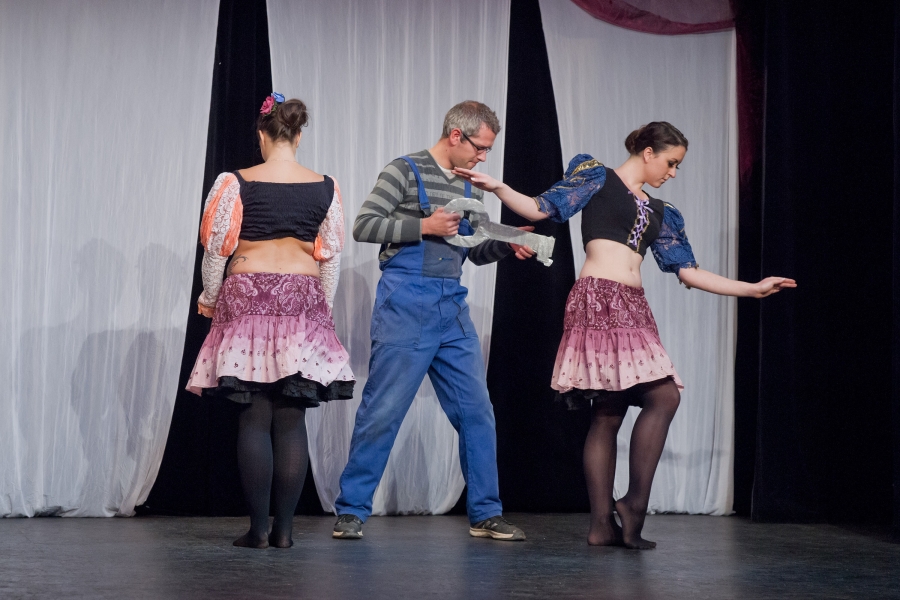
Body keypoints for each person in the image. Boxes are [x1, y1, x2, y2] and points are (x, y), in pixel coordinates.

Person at [454, 122, 796, 549]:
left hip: (634, 306)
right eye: (670, 162)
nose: (672, 172)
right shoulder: (596, 176)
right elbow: (541, 208)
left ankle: (604, 525)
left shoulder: (661, 212)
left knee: (613, 410)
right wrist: (499, 187)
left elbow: (688, 271)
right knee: (656, 398)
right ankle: (630, 507)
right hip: (599, 298)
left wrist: (751, 288)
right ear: (648, 152)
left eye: (678, 166)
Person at [332, 101, 532, 542]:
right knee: (383, 410)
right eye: (480, 147)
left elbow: (473, 250)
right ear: (456, 135)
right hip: (406, 302)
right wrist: (424, 226)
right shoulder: (404, 170)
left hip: (450, 305)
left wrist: (507, 244)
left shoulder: (472, 186)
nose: (483, 157)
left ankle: (485, 512)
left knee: (477, 411)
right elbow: (364, 225)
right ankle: (351, 510)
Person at [186, 94, 355, 549]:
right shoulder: (326, 186)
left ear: (262, 135)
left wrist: (211, 298)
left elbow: (216, 251)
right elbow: (330, 258)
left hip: (248, 296)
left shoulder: (235, 181)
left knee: (254, 417)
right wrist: (322, 311)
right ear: (298, 136)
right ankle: (285, 532)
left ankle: (258, 530)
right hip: (303, 298)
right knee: (291, 419)